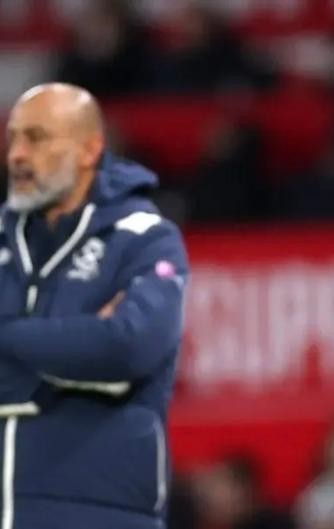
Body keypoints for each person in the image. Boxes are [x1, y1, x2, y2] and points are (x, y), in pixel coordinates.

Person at [0, 83, 188, 528]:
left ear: (90, 149)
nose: (17, 155)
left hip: (99, 511)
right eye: (13, 138)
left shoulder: (145, 238)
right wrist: (75, 346)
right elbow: (99, 346)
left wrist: (7, 341)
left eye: (37, 138)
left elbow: (127, 347)